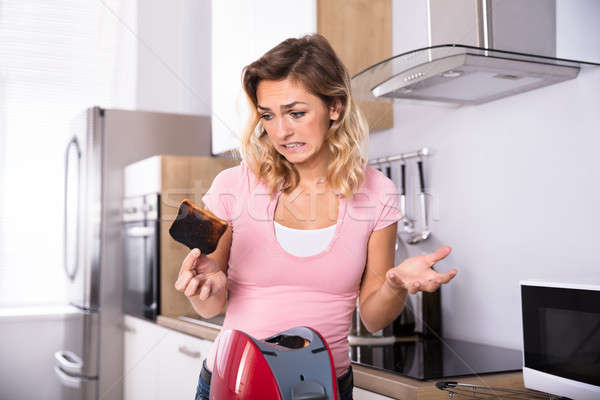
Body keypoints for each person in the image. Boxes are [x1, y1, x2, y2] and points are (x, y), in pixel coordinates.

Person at [174, 34, 457, 400]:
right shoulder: (234, 185)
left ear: (334, 107)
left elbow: (372, 318)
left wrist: (395, 283)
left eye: (296, 113)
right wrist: (204, 288)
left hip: (322, 388)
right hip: (236, 383)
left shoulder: (377, 194)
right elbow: (211, 306)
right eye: (268, 116)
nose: (280, 132)